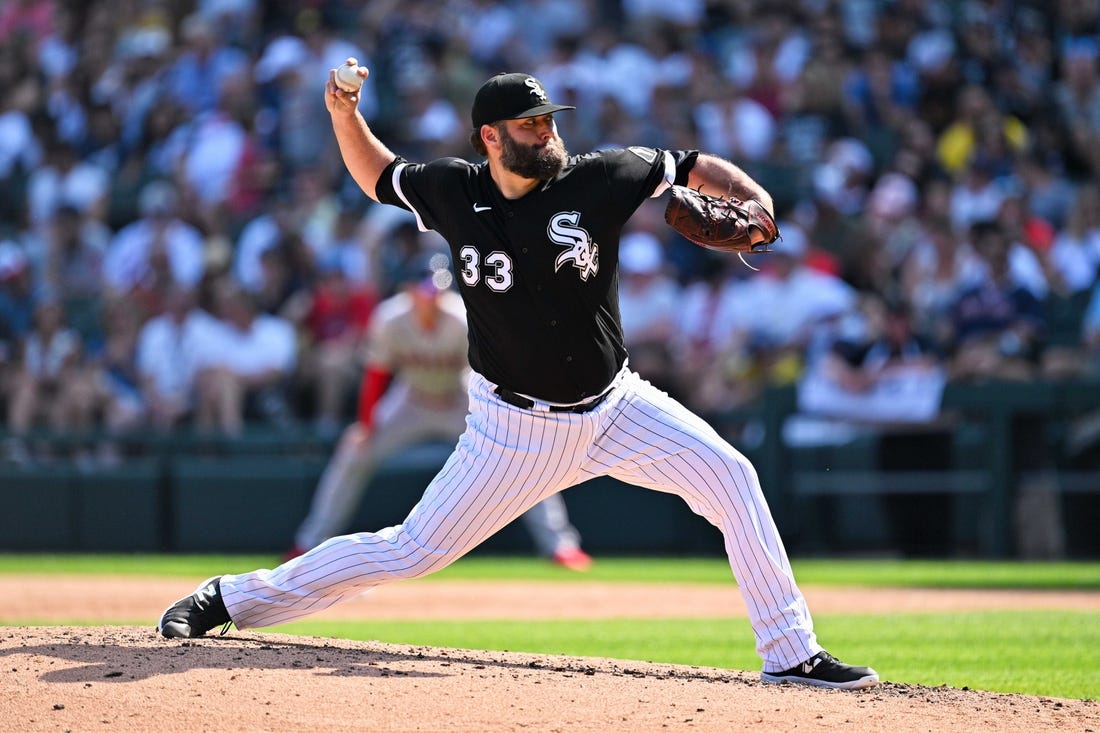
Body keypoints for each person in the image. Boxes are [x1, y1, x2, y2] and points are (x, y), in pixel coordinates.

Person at [158, 66, 878, 690]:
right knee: (407, 551)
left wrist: (758, 202)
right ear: (491, 137)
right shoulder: (453, 189)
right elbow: (378, 173)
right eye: (529, 124)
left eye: (548, 119)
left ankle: (791, 654)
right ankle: (231, 598)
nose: (546, 131)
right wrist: (344, 116)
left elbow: (691, 164)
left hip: (617, 405)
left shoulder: (601, 177)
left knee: (733, 476)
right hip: (513, 429)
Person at [284, 254, 592, 570]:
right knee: (354, 451)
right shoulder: (390, 319)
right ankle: (308, 542)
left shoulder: (461, 316)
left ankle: (561, 545)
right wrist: (366, 425)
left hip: (460, 398)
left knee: (518, 454)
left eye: (437, 288)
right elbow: (377, 374)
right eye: (424, 288)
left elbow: (489, 373)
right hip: (410, 400)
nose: (432, 295)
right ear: (407, 290)